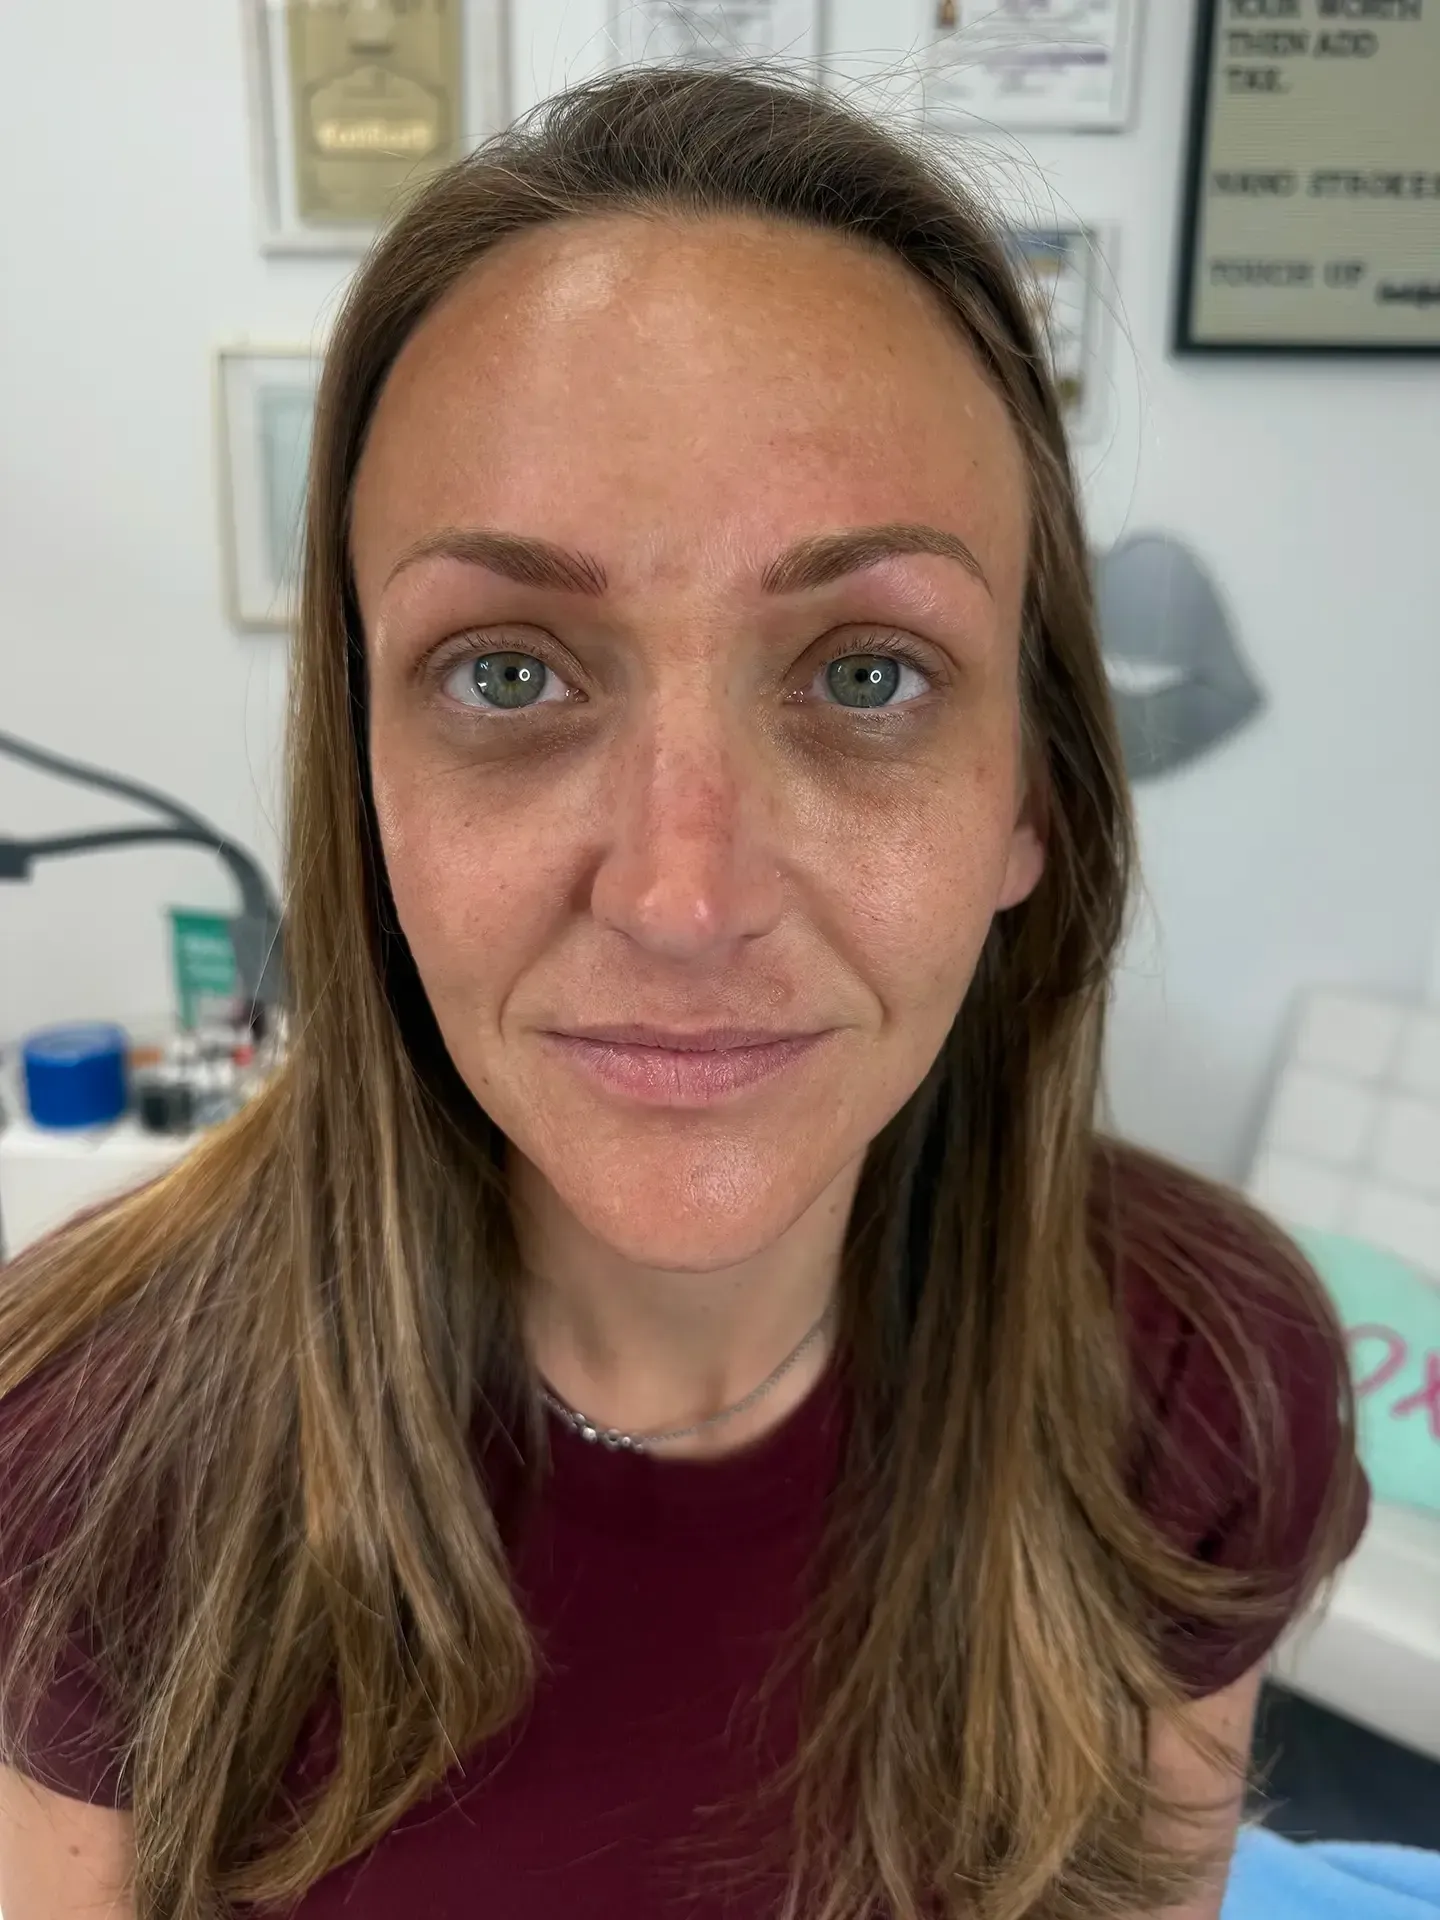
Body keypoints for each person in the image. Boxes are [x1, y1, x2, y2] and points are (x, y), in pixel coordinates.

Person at [0, 63, 1366, 1920]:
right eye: (507, 674)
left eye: (868, 675)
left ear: (1032, 798)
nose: (682, 893)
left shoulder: (1204, 1380)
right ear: (364, 788)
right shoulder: (82, 1441)